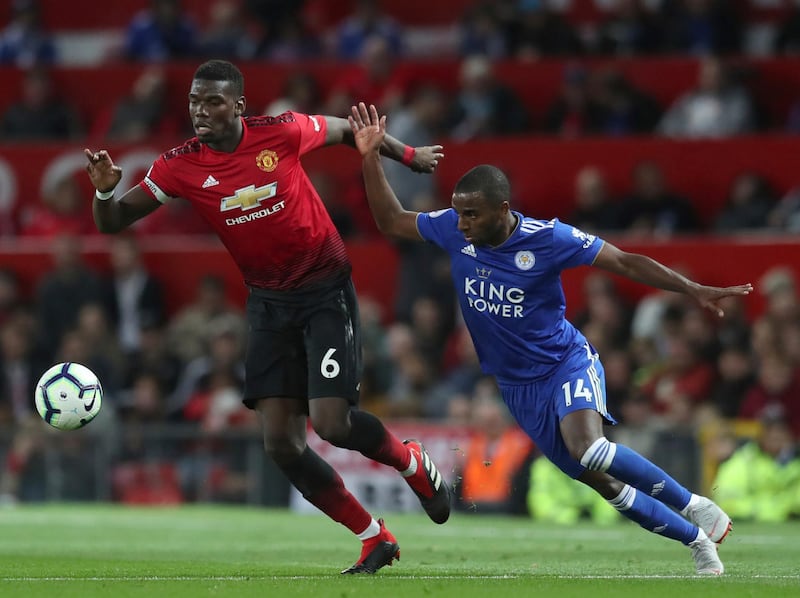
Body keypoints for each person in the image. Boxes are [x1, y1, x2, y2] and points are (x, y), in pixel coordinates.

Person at [350, 102, 755, 576]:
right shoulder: (453, 229)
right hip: (517, 387)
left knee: (591, 447)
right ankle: (698, 542)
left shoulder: (550, 239)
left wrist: (692, 289)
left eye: (472, 216)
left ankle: (695, 506)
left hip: (564, 361)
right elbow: (391, 221)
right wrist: (369, 157)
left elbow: (623, 261)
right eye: (459, 215)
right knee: (601, 482)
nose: (461, 225)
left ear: (503, 209)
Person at [83, 60, 450, 575]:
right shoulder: (178, 165)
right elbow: (114, 222)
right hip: (269, 304)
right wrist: (104, 190)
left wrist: (407, 155)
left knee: (332, 425)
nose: (199, 111)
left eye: (211, 102)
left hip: (324, 290)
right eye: (193, 101)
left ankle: (411, 461)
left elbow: (351, 131)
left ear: (237, 105)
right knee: (281, 443)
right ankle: (374, 539)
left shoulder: (281, 132)